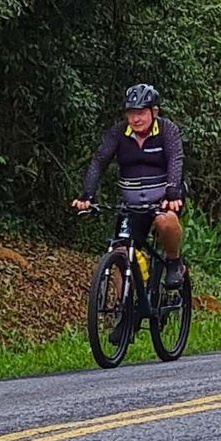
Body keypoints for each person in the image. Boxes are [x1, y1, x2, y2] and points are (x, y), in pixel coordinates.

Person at [71, 84, 187, 288]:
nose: (135, 119)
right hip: (131, 205)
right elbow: (99, 161)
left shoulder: (167, 130)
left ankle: (173, 262)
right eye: (131, 113)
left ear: (154, 112)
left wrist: (172, 192)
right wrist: (87, 194)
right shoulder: (118, 133)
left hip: (163, 200)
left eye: (141, 113)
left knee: (166, 221)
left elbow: (175, 159)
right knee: (122, 252)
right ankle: (123, 310)